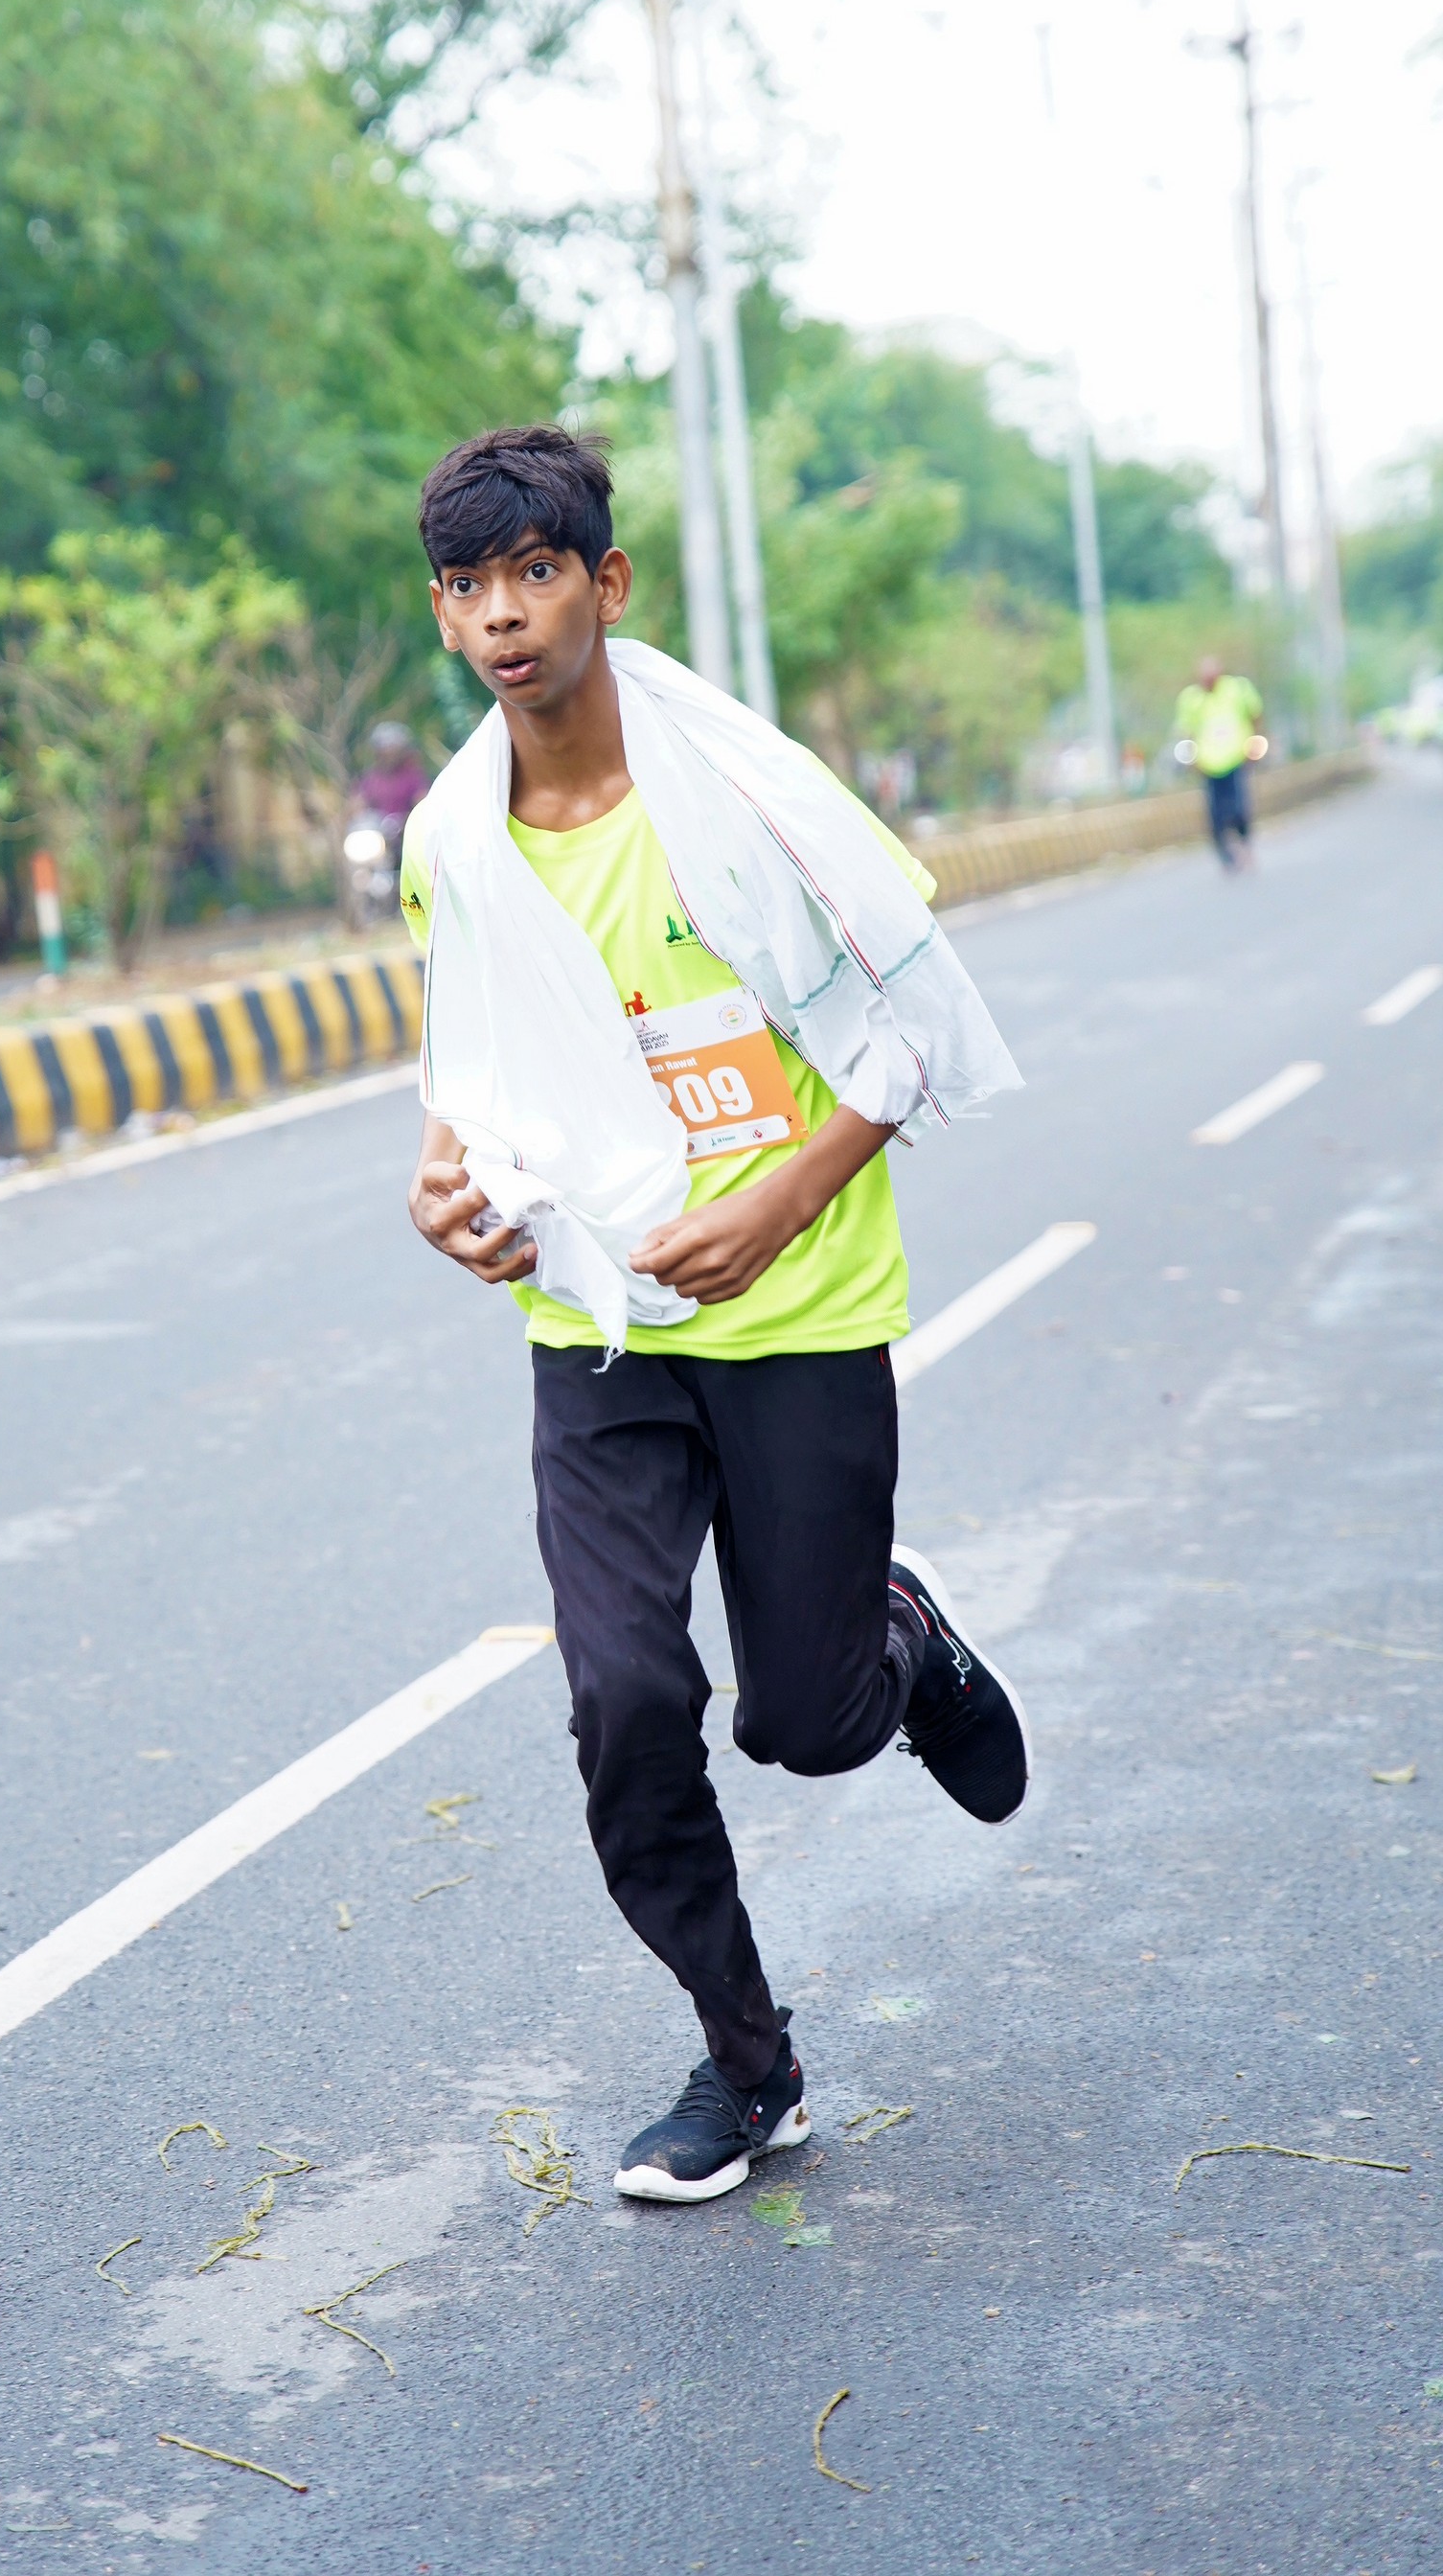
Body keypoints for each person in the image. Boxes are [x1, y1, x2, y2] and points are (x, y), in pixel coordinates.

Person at [399, 426, 1032, 2206]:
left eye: (537, 573)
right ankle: (747, 2068)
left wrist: (777, 1202)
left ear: (605, 585)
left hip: (797, 1310)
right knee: (622, 1702)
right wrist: (442, 1193)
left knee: (806, 1725)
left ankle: (900, 1642)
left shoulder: (755, 803)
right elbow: (468, 1079)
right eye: (468, 586)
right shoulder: (452, 843)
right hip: (599, 1334)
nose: (504, 615)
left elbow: (908, 1035)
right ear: (443, 616)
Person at [1175, 656, 1265, 871]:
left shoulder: (1237, 689)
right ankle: (1225, 856)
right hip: (1208, 765)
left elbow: (1255, 715)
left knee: (1239, 808)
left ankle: (1245, 844)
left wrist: (1255, 745)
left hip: (1235, 759)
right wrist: (1191, 760)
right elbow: (1186, 732)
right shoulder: (1191, 699)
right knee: (1216, 814)